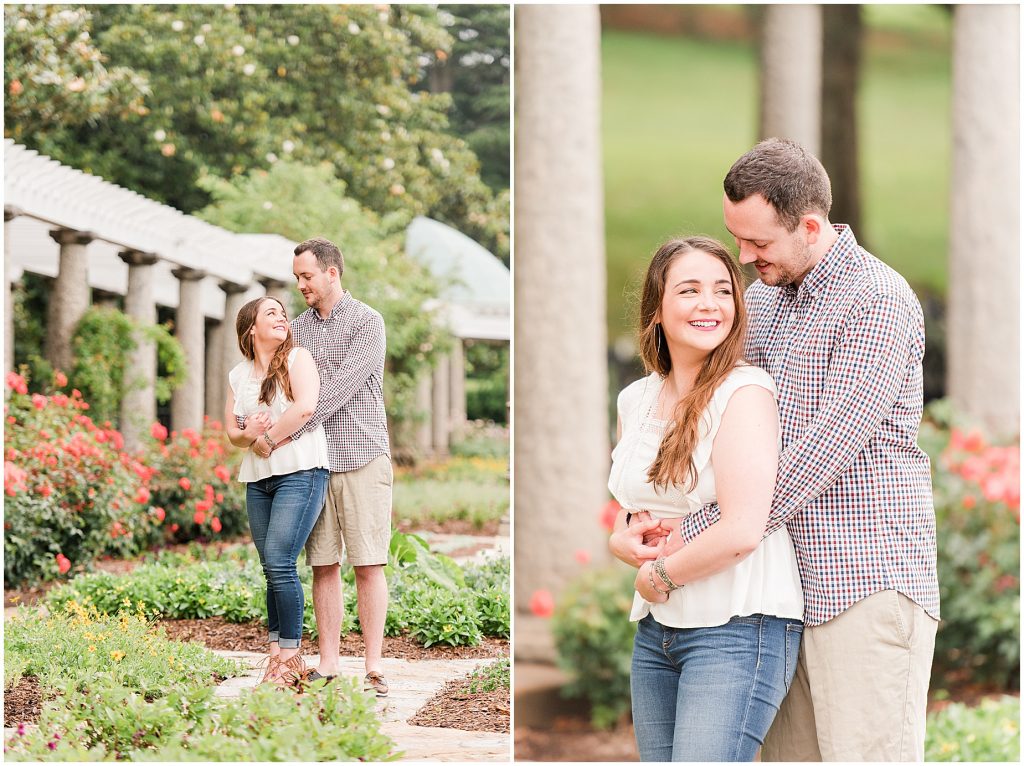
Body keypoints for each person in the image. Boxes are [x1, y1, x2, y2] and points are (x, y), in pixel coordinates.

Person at [674, 138, 940, 761]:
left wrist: (694, 533)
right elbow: (721, 424)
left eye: (759, 243)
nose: (744, 257)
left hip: (864, 584)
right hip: (778, 593)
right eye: (737, 239)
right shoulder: (763, 300)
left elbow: (820, 454)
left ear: (811, 226)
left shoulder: (877, 300)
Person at [608, 235, 805, 762]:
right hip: (658, 632)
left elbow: (742, 529)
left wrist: (659, 576)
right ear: (656, 310)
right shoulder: (636, 398)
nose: (709, 304)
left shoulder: (745, 393)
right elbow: (637, 503)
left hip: (738, 627)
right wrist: (620, 538)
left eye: (723, 291)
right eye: (690, 290)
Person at [250, 236, 393, 698]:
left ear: (332, 272)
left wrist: (280, 433)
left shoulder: (368, 322)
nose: (301, 285)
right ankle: (329, 662)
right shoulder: (298, 330)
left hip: (362, 456)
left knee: (368, 563)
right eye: (297, 278)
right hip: (313, 465)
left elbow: (329, 396)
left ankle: (373, 665)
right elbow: (275, 381)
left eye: (307, 276)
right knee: (322, 564)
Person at [225, 295, 330, 686]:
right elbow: (233, 433)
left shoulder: (298, 359)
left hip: (300, 471)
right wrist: (247, 434)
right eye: (271, 313)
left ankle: (289, 659)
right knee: (271, 567)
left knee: (280, 560)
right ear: (251, 327)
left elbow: (305, 407)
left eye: (283, 313)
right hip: (257, 479)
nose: (282, 317)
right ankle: (276, 657)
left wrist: (265, 439)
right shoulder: (239, 375)